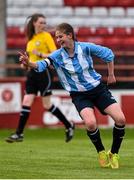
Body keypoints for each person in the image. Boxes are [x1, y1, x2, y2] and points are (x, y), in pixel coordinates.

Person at [18, 22, 126, 169]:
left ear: (70, 35)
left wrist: (111, 74)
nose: (58, 40)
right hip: (79, 95)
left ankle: (114, 153)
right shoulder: (57, 55)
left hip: (98, 90)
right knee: (90, 123)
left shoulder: (86, 47)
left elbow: (108, 54)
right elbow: (42, 64)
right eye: (56, 38)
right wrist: (29, 63)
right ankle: (101, 152)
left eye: (60, 36)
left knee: (120, 119)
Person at [5, 14, 75, 144]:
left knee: (47, 105)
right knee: (26, 101)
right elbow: (30, 59)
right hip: (32, 73)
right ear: (34, 23)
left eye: (45, 22)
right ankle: (19, 133)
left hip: (44, 72)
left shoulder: (46, 36)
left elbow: (56, 54)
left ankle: (68, 125)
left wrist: (40, 54)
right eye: (41, 22)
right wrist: (25, 63)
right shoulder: (31, 39)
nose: (44, 25)